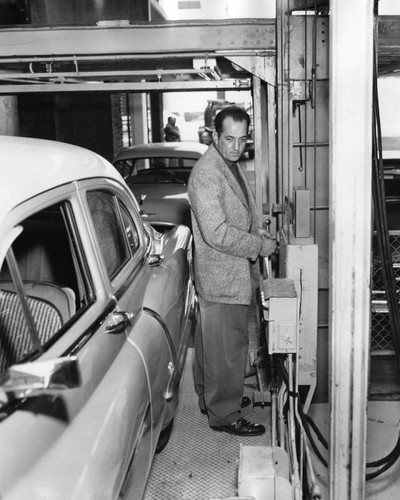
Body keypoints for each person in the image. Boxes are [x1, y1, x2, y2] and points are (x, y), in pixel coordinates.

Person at [188, 106, 276, 436]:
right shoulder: (207, 173)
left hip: (223, 275)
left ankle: (210, 398)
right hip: (221, 277)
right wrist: (258, 245)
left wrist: (258, 233)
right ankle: (225, 414)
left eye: (242, 139)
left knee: (212, 345)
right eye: (229, 139)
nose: (236, 146)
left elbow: (240, 213)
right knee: (228, 349)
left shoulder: (228, 164)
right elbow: (217, 232)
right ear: (214, 136)